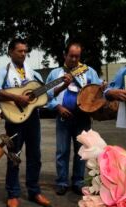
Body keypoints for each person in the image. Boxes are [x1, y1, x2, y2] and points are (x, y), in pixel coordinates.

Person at [0, 38, 51, 207]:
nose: (23, 54)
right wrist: (17, 97)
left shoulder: (34, 74)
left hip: (33, 120)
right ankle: (13, 193)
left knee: (35, 157)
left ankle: (34, 191)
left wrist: (61, 86)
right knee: (13, 156)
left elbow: (47, 95)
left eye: (25, 51)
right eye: (20, 51)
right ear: (10, 52)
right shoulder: (4, 71)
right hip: (14, 120)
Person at [46, 42, 102, 196]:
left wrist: (96, 101)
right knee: (62, 151)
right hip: (63, 119)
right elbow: (47, 96)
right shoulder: (55, 74)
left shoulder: (89, 71)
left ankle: (78, 182)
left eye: (77, 56)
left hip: (83, 118)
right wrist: (58, 107)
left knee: (82, 152)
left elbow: (97, 93)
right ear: (65, 55)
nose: (74, 59)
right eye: (71, 56)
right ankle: (62, 182)